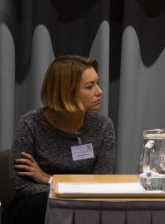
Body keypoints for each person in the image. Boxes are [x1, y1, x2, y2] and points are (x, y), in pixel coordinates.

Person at [7, 55, 116, 223]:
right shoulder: (31, 124)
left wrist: (49, 179)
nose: (99, 91)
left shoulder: (103, 126)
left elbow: (102, 183)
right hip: (38, 209)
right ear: (67, 92)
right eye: (90, 86)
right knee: (47, 204)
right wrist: (68, 193)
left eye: (97, 84)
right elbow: (21, 186)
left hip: (86, 208)